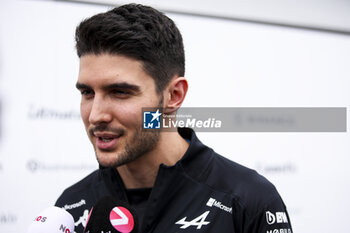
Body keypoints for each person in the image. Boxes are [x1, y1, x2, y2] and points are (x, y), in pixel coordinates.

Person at [55, 4, 293, 233]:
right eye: (87, 93)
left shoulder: (248, 201)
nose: (96, 115)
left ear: (174, 96)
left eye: (120, 92)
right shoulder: (70, 207)